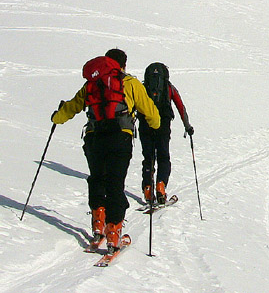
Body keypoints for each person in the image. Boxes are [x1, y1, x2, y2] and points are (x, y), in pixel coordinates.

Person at [51, 49, 160, 252]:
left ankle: (98, 224)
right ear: (123, 64)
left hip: (94, 137)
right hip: (120, 137)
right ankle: (113, 232)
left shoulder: (92, 84)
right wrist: (155, 126)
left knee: (97, 178)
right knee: (115, 183)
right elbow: (150, 112)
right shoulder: (130, 83)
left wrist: (57, 118)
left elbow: (72, 107)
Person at [139, 62, 194, 206]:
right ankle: (161, 185)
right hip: (163, 125)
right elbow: (180, 106)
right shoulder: (169, 87)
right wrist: (187, 126)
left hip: (145, 124)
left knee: (148, 157)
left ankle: (147, 187)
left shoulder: (143, 87)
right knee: (163, 157)